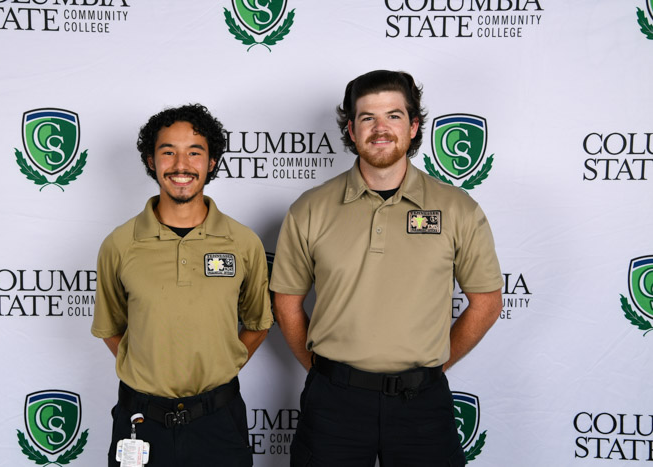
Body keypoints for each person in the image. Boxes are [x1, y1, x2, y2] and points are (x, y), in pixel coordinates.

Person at [270, 70, 503, 466]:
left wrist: (434, 365)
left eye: (393, 116)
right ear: (351, 129)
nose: (381, 129)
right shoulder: (310, 209)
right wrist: (324, 372)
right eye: (367, 118)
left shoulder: (458, 209)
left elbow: (487, 302)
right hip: (333, 404)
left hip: (422, 405)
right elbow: (287, 305)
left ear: (413, 127)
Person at [91, 104, 273, 466]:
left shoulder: (243, 242)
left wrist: (219, 364)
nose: (181, 164)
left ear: (213, 162)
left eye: (194, 152)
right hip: (141, 422)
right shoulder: (120, 243)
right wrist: (152, 371)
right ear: (150, 161)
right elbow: (111, 329)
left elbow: (257, 324)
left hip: (219, 420)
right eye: (168, 151)